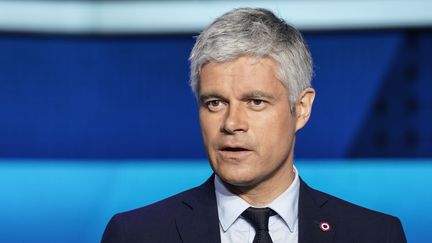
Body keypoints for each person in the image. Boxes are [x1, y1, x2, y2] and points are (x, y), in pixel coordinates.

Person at [101, 8, 406, 243]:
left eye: (255, 102)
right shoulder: (136, 234)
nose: (232, 123)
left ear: (301, 109)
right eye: (215, 103)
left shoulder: (376, 234)